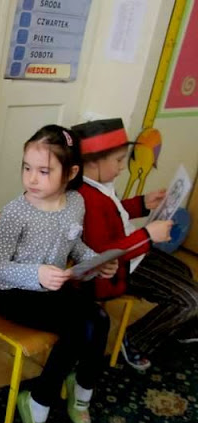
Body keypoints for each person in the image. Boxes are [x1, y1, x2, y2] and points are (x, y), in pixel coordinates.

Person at [0, 125, 119, 423]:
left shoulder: (75, 203)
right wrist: (37, 274)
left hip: (50, 289)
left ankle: (81, 386)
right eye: (27, 168)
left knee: (100, 320)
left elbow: (74, 245)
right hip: (8, 291)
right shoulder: (15, 212)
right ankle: (37, 401)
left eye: (43, 171)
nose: (32, 178)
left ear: (70, 173)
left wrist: (96, 260)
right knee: (75, 329)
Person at [73, 118, 198, 370]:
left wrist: (142, 203)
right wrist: (148, 235)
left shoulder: (98, 186)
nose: (123, 167)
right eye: (119, 160)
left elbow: (114, 214)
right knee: (191, 300)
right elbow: (105, 253)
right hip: (116, 270)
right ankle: (135, 339)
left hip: (133, 252)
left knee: (184, 271)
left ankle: (179, 326)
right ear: (94, 161)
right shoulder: (87, 197)